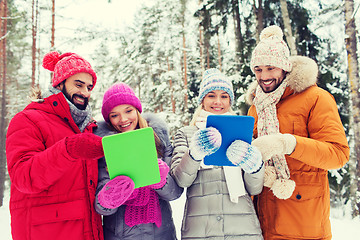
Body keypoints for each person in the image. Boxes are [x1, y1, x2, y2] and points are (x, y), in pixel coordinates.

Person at [246, 25, 350, 240]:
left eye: (271, 68)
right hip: (262, 224)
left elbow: (338, 155)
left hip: (304, 224)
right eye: (258, 69)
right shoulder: (257, 106)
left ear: (284, 67)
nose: (264, 76)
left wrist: (288, 143)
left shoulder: (316, 98)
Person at [6, 51, 105, 240]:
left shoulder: (88, 127)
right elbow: (23, 177)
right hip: (44, 233)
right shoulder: (27, 119)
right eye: (78, 84)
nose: (85, 92)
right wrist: (68, 149)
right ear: (60, 82)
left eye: (89, 87)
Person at [170, 68, 265, 240]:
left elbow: (254, 188)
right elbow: (181, 180)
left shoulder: (243, 133)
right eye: (211, 95)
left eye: (224, 96)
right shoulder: (186, 133)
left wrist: (255, 166)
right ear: (202, 100)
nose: (218, 102)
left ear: (230, 101)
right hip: (200, 230)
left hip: (242, 229)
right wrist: (195, 154)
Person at [94, 82, 183, 240]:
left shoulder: (160, 140)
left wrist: (161, 179)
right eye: (115, 115)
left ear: (137, 110)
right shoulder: (104, 149)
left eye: (128, 111)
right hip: (120, 235)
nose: (123, 119)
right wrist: (110, 196)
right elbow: (101, 208)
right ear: (108, 120)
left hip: (162, 234)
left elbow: (175, 193)